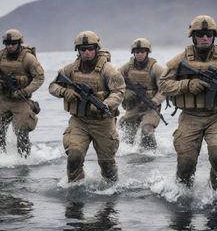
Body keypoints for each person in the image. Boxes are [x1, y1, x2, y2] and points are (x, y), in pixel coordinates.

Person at [159, 15, 217, 192]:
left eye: (208, 34)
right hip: (190, 117)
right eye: (200, 34)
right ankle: (183, 198)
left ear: (214, 36)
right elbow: (163, 84)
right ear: (193, 36)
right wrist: (188, 84)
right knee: (185, 163)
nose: (205, 38)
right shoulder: (180, 60)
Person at [49, 31, 125, 183]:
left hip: (103, 122)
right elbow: (52, 86)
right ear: (78, 50)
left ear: (97, 48)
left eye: (90, 48)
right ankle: (76, 188)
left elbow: (119, 92)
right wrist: (65, 91)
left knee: (106, 164)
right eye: (83, 49)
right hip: (79, 121)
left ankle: (111, 191)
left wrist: (105, 104)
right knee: (74, 157)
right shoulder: (70, 69)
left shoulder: (109, 70)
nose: (87, 52)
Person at [0, 29, 44, 157]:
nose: (10, 46)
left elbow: (39, 78)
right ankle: (2, 158)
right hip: (3, 99)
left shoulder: (28, 58)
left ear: (19, 43)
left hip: (20, 101)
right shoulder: (1, 55)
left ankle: (24, 159)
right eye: (7, 43)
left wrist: (25, 91)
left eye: (13, 43)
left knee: (22, 132)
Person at [118, 38, 165, 150]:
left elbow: (164, 89)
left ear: (147, 52)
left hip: (150, 109)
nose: (139, 54)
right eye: (137, 52)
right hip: (133, 108)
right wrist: (126, 93)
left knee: (147, 131)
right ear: (133, 53)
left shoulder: (156, 68)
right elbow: (114, 81)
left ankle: (151, 154)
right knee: (127, 140)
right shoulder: (126, 68)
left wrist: (155, 101)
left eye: (142, 51)